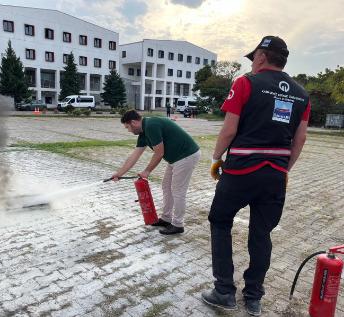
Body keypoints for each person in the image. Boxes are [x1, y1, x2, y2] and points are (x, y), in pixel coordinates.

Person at [201, 35, 310, 316]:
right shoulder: (302, 94)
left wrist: (216, 158)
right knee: (261, 233)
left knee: (220, 220)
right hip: (274, 175)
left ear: (262, 56)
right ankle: (253, 298)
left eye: (254, 58)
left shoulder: (246, 83)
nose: (252, 64)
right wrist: (284, 170)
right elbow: (299, 141)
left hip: (240, 171)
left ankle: (224, 291)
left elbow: (228, 130)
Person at [112, 110, 201, 235]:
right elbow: (134, 156)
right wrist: (119, 173)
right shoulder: (143, 133)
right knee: (166, 186)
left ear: (133, 122)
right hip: (175, 159)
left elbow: (159, 153)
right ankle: (166, 218)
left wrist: (147, 171)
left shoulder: (151, 125)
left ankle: (178, 224)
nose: (129, 130)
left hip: (187, 155)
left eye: (128, 127)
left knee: (178, 191)